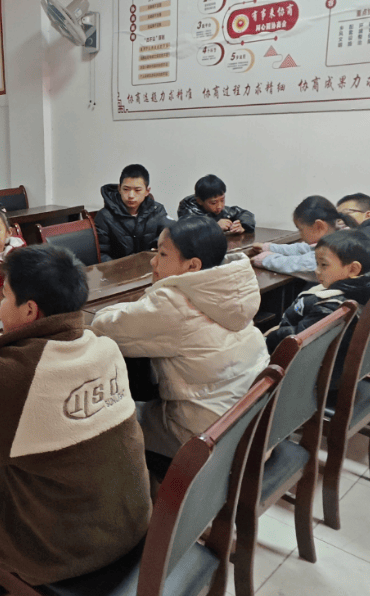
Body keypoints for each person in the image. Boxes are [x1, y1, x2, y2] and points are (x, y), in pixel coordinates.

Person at [0, 244, 151, 585]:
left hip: (63, 555)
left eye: (4, 296)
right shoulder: (105, 347)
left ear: (30, 310)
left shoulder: (17, 375)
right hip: (130, 524)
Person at [92, 216, 269, 460]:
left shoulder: (173, 305)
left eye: (162, 254)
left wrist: (142, 302)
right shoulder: (234, 288)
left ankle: (143, 483)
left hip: (205, 439)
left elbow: (104, 326)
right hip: (253, 425)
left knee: (108, 419)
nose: (153, 261)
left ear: (192, 265)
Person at [264, 230, 370, 398]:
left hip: (317, 380)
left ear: (353, 269)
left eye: (324, 265)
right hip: (342, 369)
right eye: (317, 263)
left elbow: (298, 341)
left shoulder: (334, 306)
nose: (317, 271)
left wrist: (271, 336)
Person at [250, 195, 341, 282]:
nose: (300, 234)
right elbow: (304, 249)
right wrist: (270, 247)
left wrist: (266, 260)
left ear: (319, 227)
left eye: (301, 229)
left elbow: (298, 264)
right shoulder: (334, 238)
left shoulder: (334, 251)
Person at [94, 163, 172, 261]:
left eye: (137, 190)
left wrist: (155, 249)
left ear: (147, 191)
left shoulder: (157, 210)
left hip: (150, 265)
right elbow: (101, 253)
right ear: (119, 189)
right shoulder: (104, 216)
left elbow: (169, 235)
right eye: (126, 189)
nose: (131, 195)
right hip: (118, 268)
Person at [177, 174, 255, 233]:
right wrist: (215, 226)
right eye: (213, 203)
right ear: (199, 201)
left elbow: (245, 214)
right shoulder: (188, 210)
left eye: (222, 200)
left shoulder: (221, 210)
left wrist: (242, 226)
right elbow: (191, 230)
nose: (220, 206)